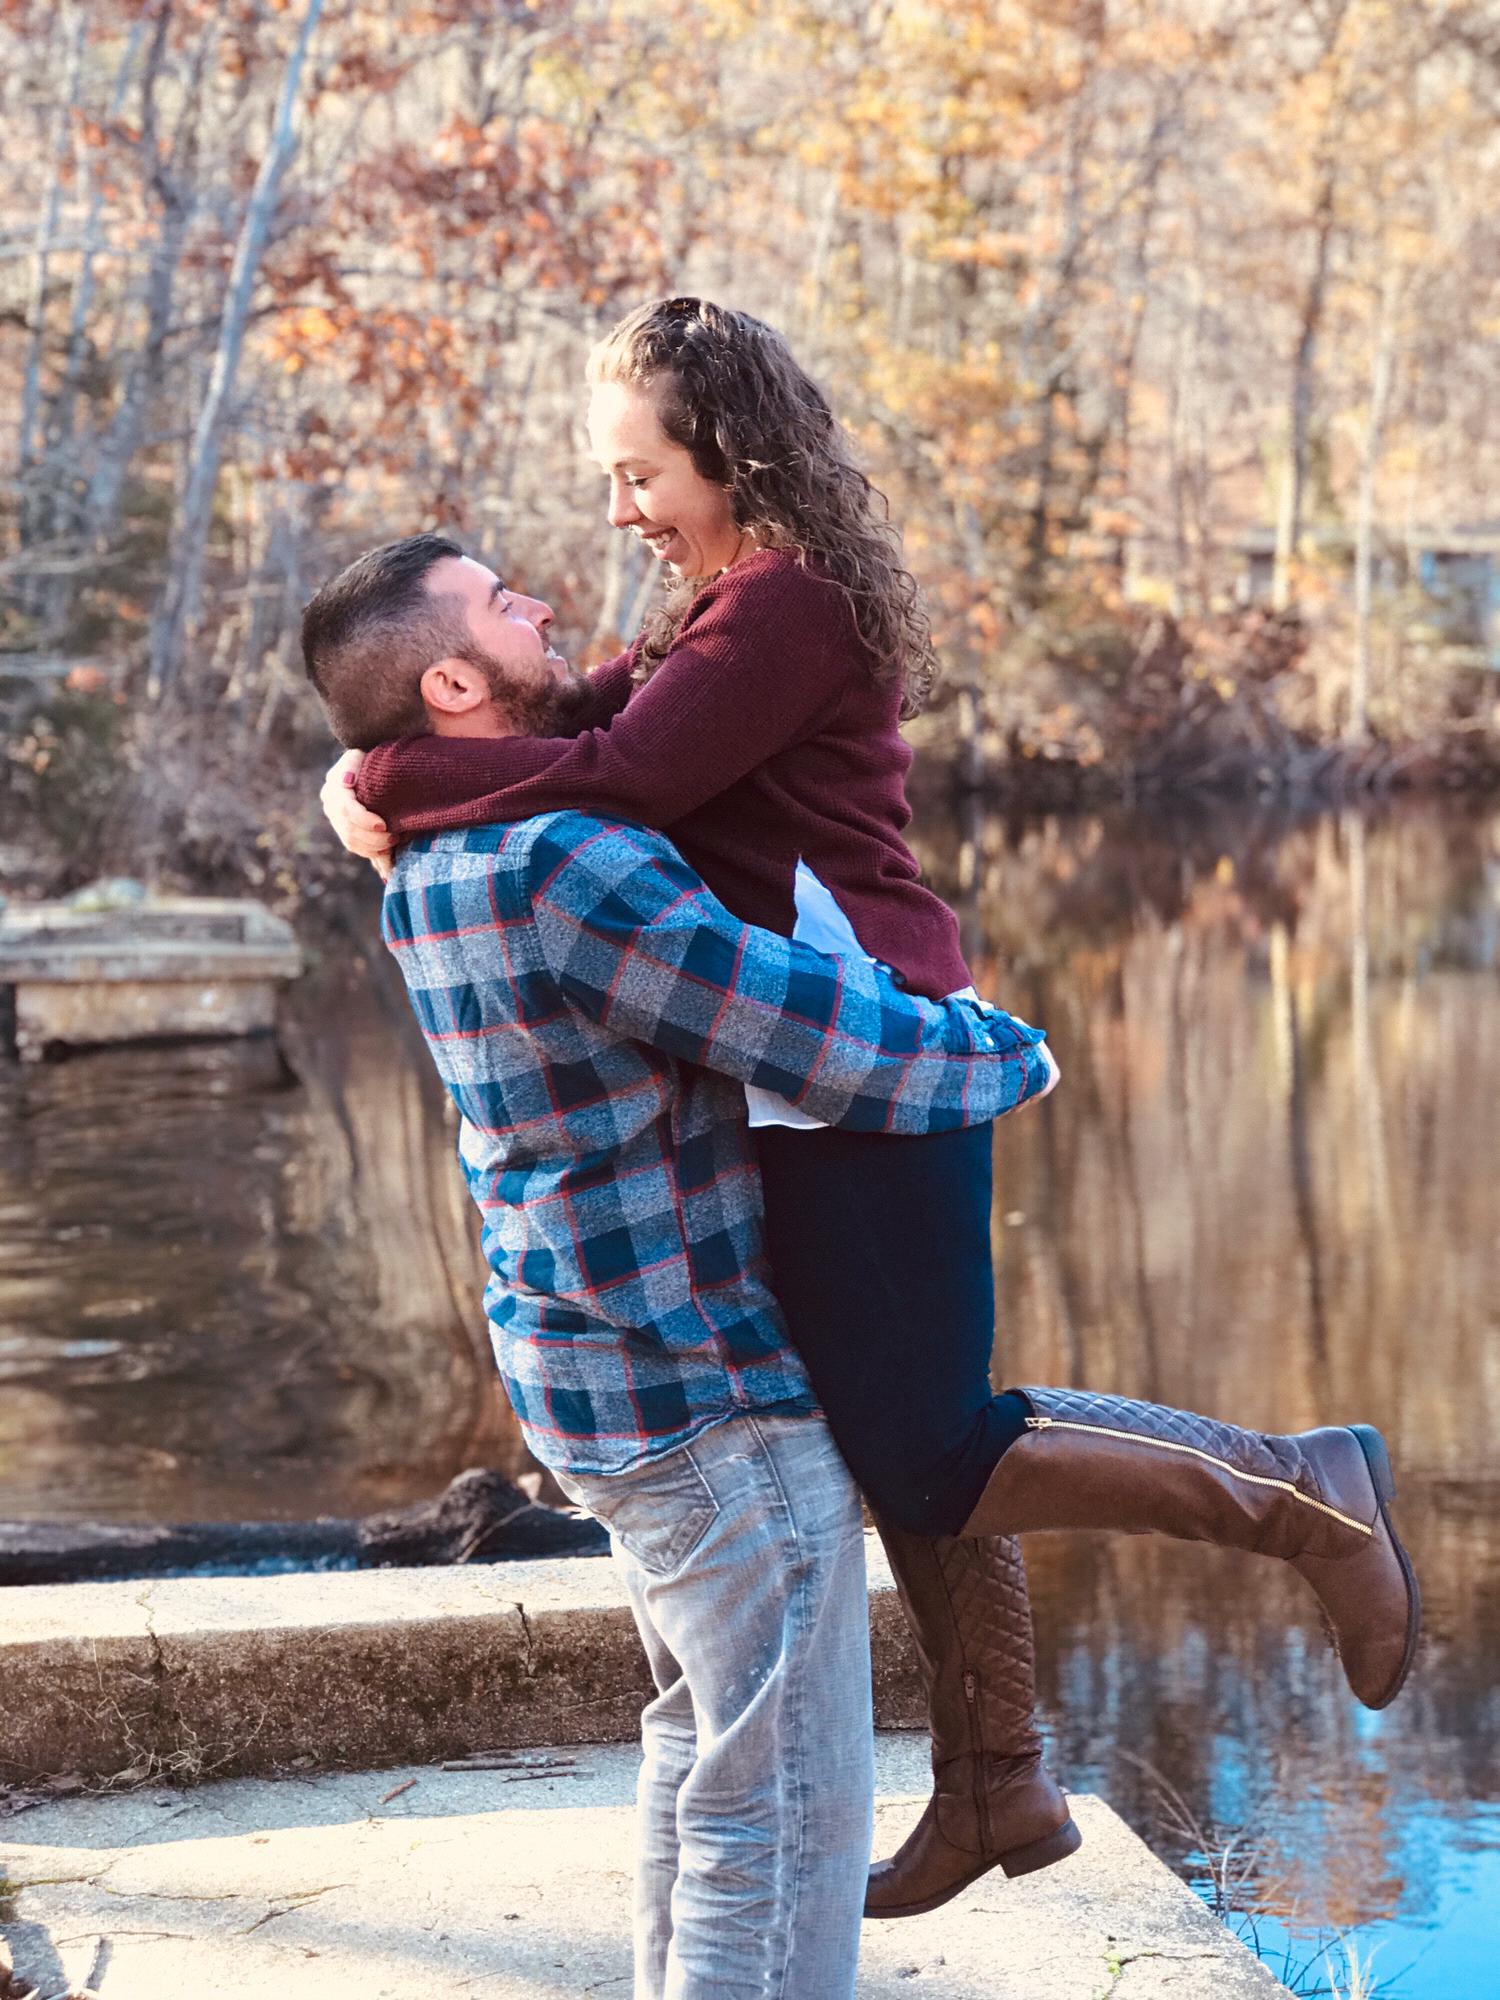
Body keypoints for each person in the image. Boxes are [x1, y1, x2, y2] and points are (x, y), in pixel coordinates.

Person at [320, 297, 1421, 1920]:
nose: (619, 513)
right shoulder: (720, 613)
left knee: (931, 1447)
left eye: (639, 474)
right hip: (803, 1080)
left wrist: (391, 778)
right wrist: (366, 761)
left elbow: (615, 779)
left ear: (727, 453)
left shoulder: (787, 609)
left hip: (872, 1052)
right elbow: (573, 728)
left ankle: (1303, 1493)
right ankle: (998, 1780)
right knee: (897, 1431)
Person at [301, 532, 1060, 2000]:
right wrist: (1004, 1053)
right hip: (703, 1395)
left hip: (590, 1375)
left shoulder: (431, 856)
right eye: (501, 605)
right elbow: (812, 1035)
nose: (540, 606)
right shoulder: (565, 860)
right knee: (780, 1818)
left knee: (703, 1758)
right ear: (451, 682)